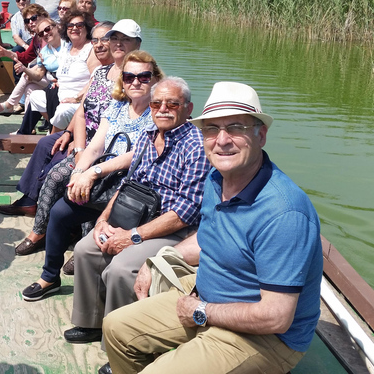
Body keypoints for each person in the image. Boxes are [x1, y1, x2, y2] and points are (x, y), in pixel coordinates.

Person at [102, 82, 322, 374]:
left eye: (236, 128)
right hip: (204, 298)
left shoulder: (284, 212)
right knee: (115, 328)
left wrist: (202, 311)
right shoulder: (217, 179)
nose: (222, 140)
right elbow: (205, 241)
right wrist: (155, 260)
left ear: (261, 135)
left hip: (262, 337)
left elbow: (275, 317)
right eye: (211, 129)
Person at [64, 77, 210, 345]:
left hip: (173, 230)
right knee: (86, 249)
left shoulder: (196, 145)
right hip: (135, 218)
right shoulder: (146, 137)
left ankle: (124, 341)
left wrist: (133, 236)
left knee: (121, 268)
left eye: (172, 104)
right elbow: (127, 185)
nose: (162, 109)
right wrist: (103, 220)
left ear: (188, 109)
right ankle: (92, 322)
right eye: (156, 103)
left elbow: (186, 211)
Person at [20, 52, 163, 303]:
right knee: (60, 213)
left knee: (108, 236)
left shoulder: (158, 113)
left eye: (144, 76)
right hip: (105, 180)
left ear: (155, 79)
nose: (136, 82)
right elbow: (96, 146)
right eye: (129, 76)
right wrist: (79, 173)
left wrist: (94, 172)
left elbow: (136, 154)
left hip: (132, 188)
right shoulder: (118, 106)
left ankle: (106, 292)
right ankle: (49, 276)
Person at [0, 20, 141, 217]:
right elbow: (83, 110)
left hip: (102, 144)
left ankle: (48, 212)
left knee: (56, 159)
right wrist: (68, 132)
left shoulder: (134, 79)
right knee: (45, 143)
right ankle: (30, 200)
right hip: (85, 135)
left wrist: (80, 146)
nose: (109, 44)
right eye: (113, 39)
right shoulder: (101, 72)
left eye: (122, 39)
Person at [24, 10, 100, 133]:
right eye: (70, 26)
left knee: (62, 112)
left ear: (87, 28)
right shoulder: (67, 48)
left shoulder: (90, 50)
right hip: (61, 96)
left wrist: (76, 98)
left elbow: (96, 80)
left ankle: (54, 137)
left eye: (79, 25)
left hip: (78, 102)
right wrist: (59, 82)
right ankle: (65, 130)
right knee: (35, 97)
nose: (74, 28)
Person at [0, 5, 53, 116]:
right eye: (27, 21)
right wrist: (8, 54)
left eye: (33, 18)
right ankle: (28, 127)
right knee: (30, 88)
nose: (31, 22)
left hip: (54, 78)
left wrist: (34, 69)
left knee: (26, 76)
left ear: (43, 15)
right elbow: (26, 57)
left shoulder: (50, 36)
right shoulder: (37, 39)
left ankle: (9, 105)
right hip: (44, 77)